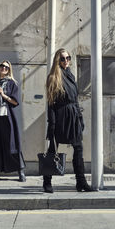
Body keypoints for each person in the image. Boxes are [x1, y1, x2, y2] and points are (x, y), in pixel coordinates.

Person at [44, 48, 93, 193]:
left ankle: (81, 182)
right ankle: (47, 182)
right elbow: (51, 103)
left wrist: (80, 118)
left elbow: (75, 99)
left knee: (78, 149)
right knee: (53, 150)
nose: (66, 61)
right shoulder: (53, 77)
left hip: (73, 116)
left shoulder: (70, 75)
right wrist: (51, 124)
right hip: (59, 117)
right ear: (57, 61)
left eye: (68, 58)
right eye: (63, 59)